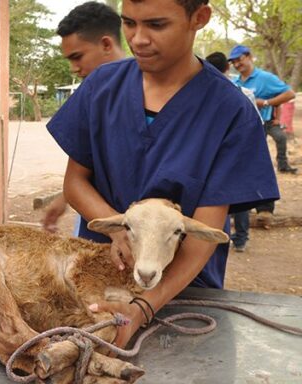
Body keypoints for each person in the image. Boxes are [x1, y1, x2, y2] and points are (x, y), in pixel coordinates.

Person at [47, 0, 279, 349]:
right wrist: (120, 233)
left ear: (198, 18)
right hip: (104, 275)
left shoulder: (229, 110)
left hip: (183, 290)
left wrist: (144, 306)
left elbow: (205, 232)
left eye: (156, 25)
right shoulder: (101, 89)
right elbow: (75, 182)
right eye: (129, 23)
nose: (139, 39)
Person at [41, 1, 127, 232]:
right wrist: (65, 198)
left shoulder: (150, 91)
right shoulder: (93, 97)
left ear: (107, 44)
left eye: (77, 57)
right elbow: (86, 169)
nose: (74, 68)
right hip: (99, 225)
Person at [229, 44, 297, 231]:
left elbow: (289, 93)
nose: (237, 64)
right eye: (233, 61)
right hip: (242, 128)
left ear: (249, 56)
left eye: (239, 59)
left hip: (262, 125)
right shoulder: (236, 82)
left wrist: (266, 102)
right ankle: (239, 206)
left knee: (261, 164)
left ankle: (265, 208)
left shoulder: (265, 78)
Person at [205, 51, 260, 252]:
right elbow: (256, 126)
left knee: (218, 199)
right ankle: (240, 238)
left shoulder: (201, 96)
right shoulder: (243, 94)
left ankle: (225, 238)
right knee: (236, 199)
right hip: (238, 153)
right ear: (227, 68)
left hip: (213, 156)